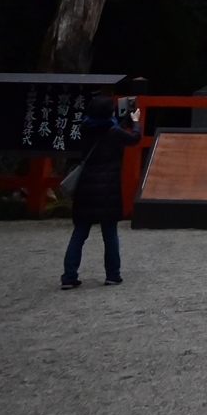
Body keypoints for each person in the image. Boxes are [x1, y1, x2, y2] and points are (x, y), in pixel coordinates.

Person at [61, 95, 140, 289]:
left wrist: (122, 123)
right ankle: (112, 274)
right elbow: (133, 139)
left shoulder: (85, 128)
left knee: (79, 233)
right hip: (108, 187)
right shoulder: (113, 132)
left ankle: (69, 276)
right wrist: (136, 122)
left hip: (86, 185)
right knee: (110, 233)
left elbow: (108, 131)